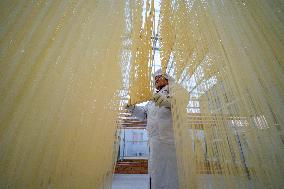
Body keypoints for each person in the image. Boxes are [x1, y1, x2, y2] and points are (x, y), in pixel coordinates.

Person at [125, 69, 179, 189]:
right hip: (155, 142)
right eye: (155, 78)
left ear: (167, 79)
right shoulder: (152, 99)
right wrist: (132, 108)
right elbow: (144, 114)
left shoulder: (174, 90)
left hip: (169, 142)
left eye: (159, 77)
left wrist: (168, 102)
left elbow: (182, 101)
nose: (156, 80)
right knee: (156, 172)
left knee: (170, 173)